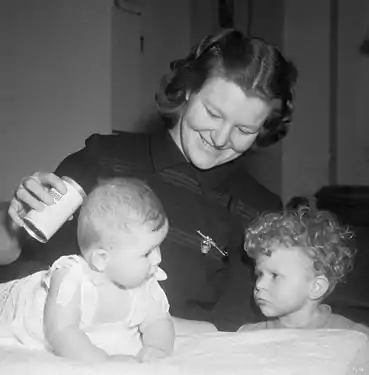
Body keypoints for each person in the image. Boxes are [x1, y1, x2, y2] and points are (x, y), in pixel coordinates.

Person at [1, 28, 297, 331]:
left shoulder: (259, 211)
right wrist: (14, 224)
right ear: (187, 91)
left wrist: (135, 326)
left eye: (244, 130)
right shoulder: (102, 158)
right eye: (212, 113)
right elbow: (22, 264)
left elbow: (230, 329)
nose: (221, 138)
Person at [0, 178, 174, 363]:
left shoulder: (146, 281)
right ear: (102, 259)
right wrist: (104, 361)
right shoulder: (70, 277)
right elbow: (61, 331)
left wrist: (157, 348)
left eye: (158, 246)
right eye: (147, 252)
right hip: (14, 303)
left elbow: (159, 321)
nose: (158, 259)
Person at [238, 206, 369, 335]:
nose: (259, 285)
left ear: (315, 287)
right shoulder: (247, 336)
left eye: (275, 275)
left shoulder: (353, 337)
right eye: (260, 274)